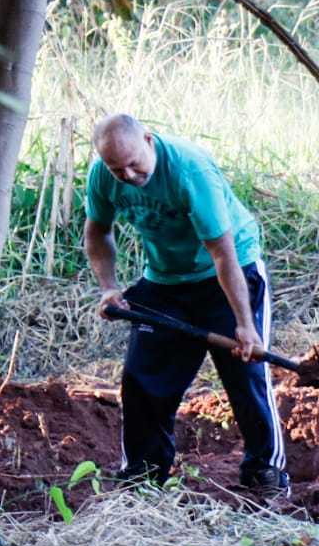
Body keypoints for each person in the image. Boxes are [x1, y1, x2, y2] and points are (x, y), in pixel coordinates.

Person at [83, 113, 289, 494]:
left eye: (133, 164)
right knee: (142, 379)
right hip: (165, 278)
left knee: (245, 374)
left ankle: (266, 471)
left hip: (229, 269)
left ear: (148, 139)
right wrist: (108, 287)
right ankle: (143, 478)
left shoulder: (189, 170)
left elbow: (222, 253)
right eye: (117, 169)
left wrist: (244, 324)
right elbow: (97, 232)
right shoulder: (102, 175)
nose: (127, 175)